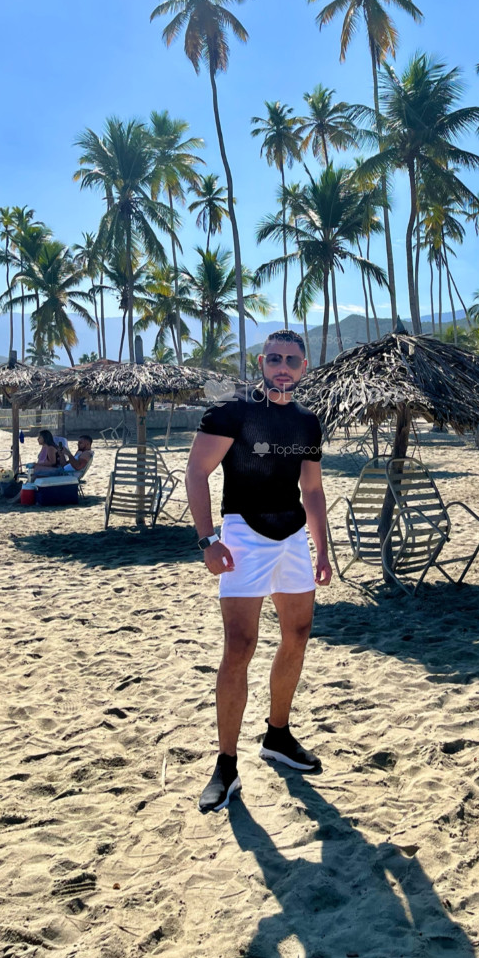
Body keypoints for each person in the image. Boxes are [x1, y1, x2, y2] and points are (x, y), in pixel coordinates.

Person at [185, 329, 332, 814]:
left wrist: (321, 550)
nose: (282, 367)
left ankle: (278, 735)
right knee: (240, 646)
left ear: (304, 367)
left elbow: (312, 490)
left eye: (291, 360)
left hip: (291, 535)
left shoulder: (307, 422)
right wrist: (207, 540)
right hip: (242, 533)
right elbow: (197, 472)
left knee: (298, 634)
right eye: (274, 359)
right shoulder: (232, 412)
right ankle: (226, 765)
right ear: (261, 363)